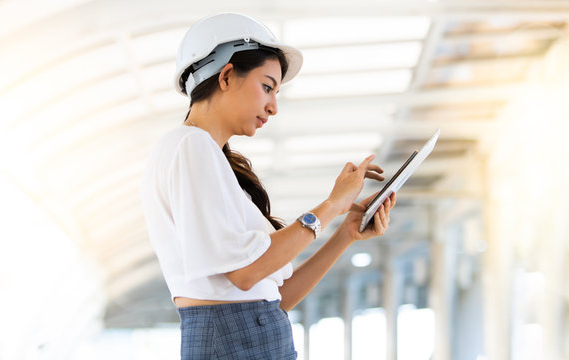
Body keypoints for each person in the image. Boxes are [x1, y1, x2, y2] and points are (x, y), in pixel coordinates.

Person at [139, 13, 396, 359]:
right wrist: (331, 205)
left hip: (243, 340)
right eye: (267, 86)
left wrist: (345, 233)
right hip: (235, 343)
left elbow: (275, 296)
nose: (273, 107)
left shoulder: (208, 158)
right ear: (227, 75)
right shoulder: (190, 146)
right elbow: (245, 274)